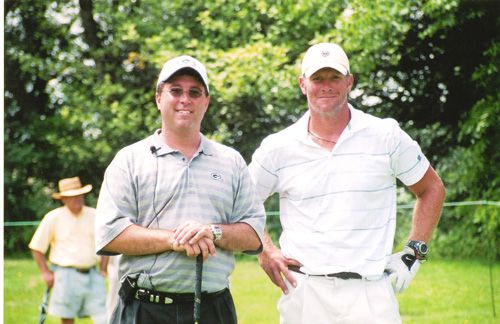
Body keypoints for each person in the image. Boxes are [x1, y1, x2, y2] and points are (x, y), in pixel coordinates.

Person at [248, 42, 446, 323]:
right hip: (305, 291)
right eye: (317, 78)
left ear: (349, 82)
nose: (326, 86)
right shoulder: (277, 147)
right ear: (303, 84)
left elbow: (431, 189)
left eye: (334, 77)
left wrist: (414, 253)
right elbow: (243, 201)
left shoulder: (385, 134)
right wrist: (265, 250)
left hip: (371, 292)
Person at [95, 54, 266, 324]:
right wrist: (176, 239)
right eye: (175, 90)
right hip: (144, 308)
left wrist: (212, 231)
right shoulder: (129, 160)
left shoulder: (231, 161)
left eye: (195, 92)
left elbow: (255, 234)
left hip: (214, 309)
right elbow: (110, 235)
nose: (185, 99)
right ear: (158, 98)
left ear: (206, 102)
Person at [29, 176, 108, 324]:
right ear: (63, 199)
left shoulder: (96, 215)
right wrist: (45, 273)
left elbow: (106, 243)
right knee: (67, 318)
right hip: (65, 275)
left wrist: (103, 268)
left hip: (93, 273)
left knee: (103, 317)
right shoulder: (53, 218)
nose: (77, 199)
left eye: (79, 195)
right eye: (72, 197)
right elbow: (37, 248)